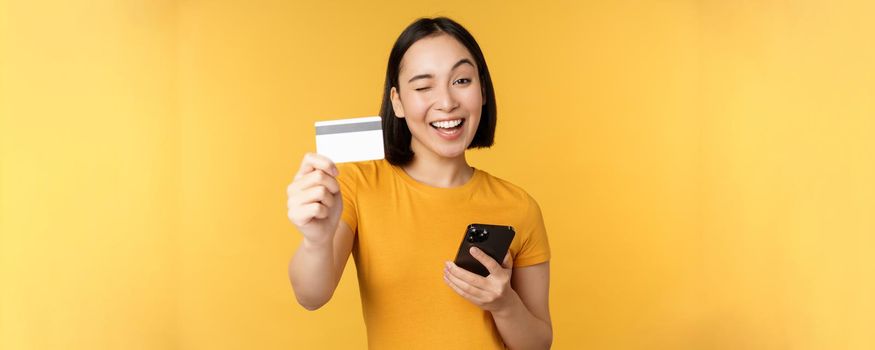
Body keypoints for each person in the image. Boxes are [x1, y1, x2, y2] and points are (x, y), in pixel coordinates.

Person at [287, 17, 552, 349]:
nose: (446, 101)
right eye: (424, 86)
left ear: (482, 90)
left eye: (461, 80)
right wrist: (316, 240)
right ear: (397, 102)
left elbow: (538, 344)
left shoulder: (519, 206)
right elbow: (311, 296)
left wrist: (504, 304)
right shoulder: (357, 184)